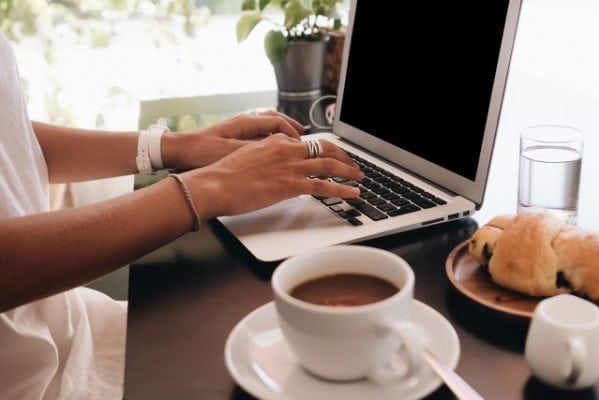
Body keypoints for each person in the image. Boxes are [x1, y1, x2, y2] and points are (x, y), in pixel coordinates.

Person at [0, 32, 362, 399]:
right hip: (37, 381)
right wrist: (212, 186)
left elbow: (11, 133)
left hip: (67, 326)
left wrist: (178, 146)